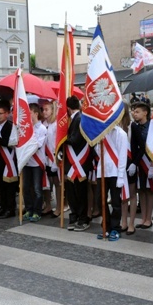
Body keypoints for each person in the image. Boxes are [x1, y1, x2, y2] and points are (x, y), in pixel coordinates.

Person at [95, 113, 129, 241]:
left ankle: (115, 228)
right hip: (102, 171)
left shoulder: (121, 133)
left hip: (115, 171)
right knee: (100, 200)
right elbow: (98, 152)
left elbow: (122, 156)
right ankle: (106, 225)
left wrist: (121, 176)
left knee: (115, 202)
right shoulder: (101, 133)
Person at [63, 96, 93, 231]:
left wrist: (62, 139)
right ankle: (74, 216)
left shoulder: (80, 119)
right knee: (71, 191)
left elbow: (76, 140)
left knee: (80, 192)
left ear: (68, 109)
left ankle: (83, 218)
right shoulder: (73, 119)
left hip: (80, 162)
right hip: (72, 162)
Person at [129, 99, 153, 234]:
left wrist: (152, 164)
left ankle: (148, 218)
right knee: (141, 190)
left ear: (145, 113)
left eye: (137, 111)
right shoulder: (134, 126)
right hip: (139, 160)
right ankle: (143, 217)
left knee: (149, 190)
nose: (134, 114)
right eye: (133, 111)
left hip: (150, 160)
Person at [0, 100, 18, 219]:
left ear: (7, 114)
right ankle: (2, 207)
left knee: (9, 187)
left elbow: (8, 143)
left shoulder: (10, 126)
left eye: (0, 113)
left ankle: (10, 208)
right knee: (0, 186)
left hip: (7, 161)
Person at [22, 103, 47, 222]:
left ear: (36, 114)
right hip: (27, 162)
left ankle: (37, 211)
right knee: (26, 187)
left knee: (37, 188)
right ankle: (29, 209)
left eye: (29, 113)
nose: (27, 115)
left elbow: (38, 145)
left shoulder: (42, 129)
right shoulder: (26, 127)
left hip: (37, 163)